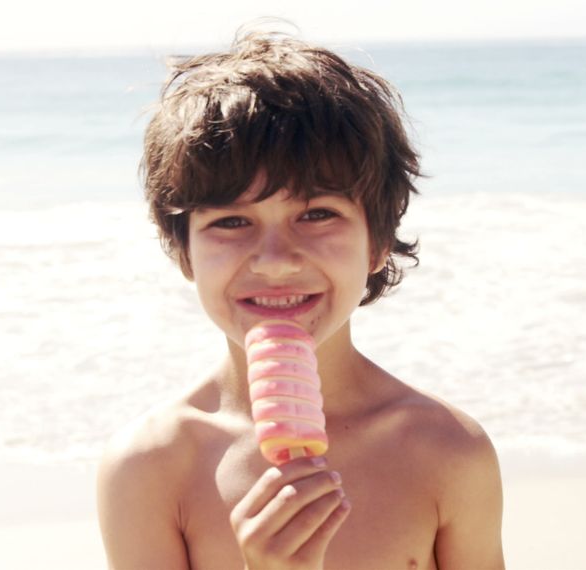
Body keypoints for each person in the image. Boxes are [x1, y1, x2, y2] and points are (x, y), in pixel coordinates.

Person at [97, 28, 504, 569]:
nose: (275, 259)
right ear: (185, 254)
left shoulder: (447, 451)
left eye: (316, 214)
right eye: (231, 221)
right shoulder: (151, 467)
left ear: (379, 241)